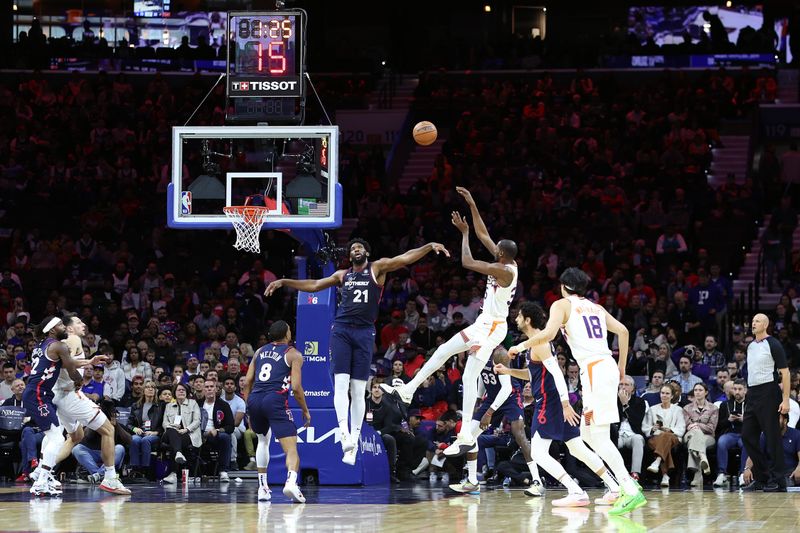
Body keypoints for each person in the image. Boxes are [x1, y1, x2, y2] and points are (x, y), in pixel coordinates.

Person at [266, 238, 448, 465]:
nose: (356, 249)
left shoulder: (377, 268)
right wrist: (284, 281)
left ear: (366, 252)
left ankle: (353, 440)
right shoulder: (343, 275)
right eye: (353, 248)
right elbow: (313, 285)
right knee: (341, 385)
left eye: (360, 247)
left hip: (364, 332)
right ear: (350, 255)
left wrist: (429, 247)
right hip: (341, 329)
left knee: (358, 388)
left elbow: (405, 258)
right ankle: (344, 435)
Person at [382, 187, 518, 459]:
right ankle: (408, 390)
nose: (493, 248)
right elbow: (484, 234)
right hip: (484, 323)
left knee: (469, 375)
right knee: (443, 351)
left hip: (493, 328)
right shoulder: (505, 260)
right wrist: (472, 203)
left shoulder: (502, 270)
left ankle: (466, 431)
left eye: (496, 249)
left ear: (501, 255)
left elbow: (467, 261)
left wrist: (464, 235)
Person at [509, 268, 646, 515]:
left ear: (564, 286)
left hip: (594, 370)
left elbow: (548, 334)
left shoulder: (561, 305)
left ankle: (630, 488)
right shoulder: (597, 307)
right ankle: (616, 488)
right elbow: (624, 331)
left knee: (599, 437)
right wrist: (621, 367)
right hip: (603, 368)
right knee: (586, 436)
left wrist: (520, 346)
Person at [497, 302, 622, 507]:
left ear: (528, 320)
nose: (516, 318)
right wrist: (509, 371)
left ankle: (575, 491)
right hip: (552, 400)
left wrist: (565, 404)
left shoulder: (539, 344)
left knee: (538, 453)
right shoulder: (536, 343)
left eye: (519, 316)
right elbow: (533, 374)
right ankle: (614, 487)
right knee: (578, 449)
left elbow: (556, 372)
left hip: (549, 402)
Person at [49, 314, 130, 495]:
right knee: (108, 430)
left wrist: (89, 362)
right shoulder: (73, 338)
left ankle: (43, 470)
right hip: (69, 394)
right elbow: (63, 362)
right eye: (79, 322)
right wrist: (77, 377)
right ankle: (110, 478)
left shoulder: (62, 342)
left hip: (59, 394)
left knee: (76, 437)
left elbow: (62, 362)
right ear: (69, 328)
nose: (83, 324)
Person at [448, 346, 531, 495]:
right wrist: (479, 399)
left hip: (511, 396)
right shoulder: (477, 353)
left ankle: (536, 480)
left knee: (519, 434)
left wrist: (489, 412)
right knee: (470, 436)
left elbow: (506, 388)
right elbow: (481, 375)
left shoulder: (500, 354)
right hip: (492, 397)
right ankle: (472, 481)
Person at [242, 321, 310, 503]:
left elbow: (247, 381)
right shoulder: (294, 354)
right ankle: (291, 482)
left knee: (263, 441)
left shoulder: (259, 352)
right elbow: (296, 387)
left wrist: (249, 406)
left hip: (255, 398)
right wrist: (305, 410)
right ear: (287, 335)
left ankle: (263, 488)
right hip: (275, 399)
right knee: (291, 449)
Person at [22, 316, 83, 496]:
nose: (65, 327)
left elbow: (65, 365)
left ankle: (42, 474)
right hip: (38, 394)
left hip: (40, 393)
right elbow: (72, 371)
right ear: (51, 329)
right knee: (56, 437)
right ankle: (41, 479)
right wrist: (79, 380)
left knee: (54, 435)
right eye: (61, 325)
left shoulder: (41, 346)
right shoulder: (59, 346)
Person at [742, 313, 791, 492]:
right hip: (752, 393)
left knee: (772, 438)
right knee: (747, 436)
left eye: (757, 321)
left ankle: (779, 481)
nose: (753, 323)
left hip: (769, 392)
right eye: (753, 321)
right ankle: (762, 477)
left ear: (766, 324)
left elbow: (785, 373)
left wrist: (785, 400)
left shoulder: (773, 344)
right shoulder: (750, 346)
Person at [643, 385, 686, 487]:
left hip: (673, 437)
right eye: (662, 393)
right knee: (664, 440)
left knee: (666, 435)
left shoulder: (678, 410)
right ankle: (665, 475)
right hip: (655, 438)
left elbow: (681, 427)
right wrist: (652, 428)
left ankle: (657, 461)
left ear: (672, 396)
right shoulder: (652, 409)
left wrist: (670, 430)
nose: (664, 395)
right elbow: (645, 427)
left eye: (667, 393)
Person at [742, 412, 800, 487]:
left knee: (786, 483)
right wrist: (747, 468)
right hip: (771, 472)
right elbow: (754, 454)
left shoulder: (796, 434)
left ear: (785, 421)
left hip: (790, 472)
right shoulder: (766, 435)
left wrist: (799, 468)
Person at [161, 382, 202, 484]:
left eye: (183, 390)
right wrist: (172, 426)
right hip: (171, 433)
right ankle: (178, 453)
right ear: (175, 392)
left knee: (174, 444)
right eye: (179, 390)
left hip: (188, 434)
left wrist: (186, 429)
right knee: (172, 432)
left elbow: (197, 421)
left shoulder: (193, 403)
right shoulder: (169, 406)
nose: (181, 391)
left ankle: (173, 474)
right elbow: (164, 423)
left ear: (187, 392)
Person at [682, 382, 719, 487]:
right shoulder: (686, 408)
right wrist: (698, 427)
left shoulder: (713, 408)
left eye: (700, 390)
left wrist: (696, 424)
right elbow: (687, 426)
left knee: (696, 439)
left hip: (708, 437)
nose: (697, 392)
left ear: (706, 392)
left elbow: (711, 428)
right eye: (695, 390)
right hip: (689, 435)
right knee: (695, 434)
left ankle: (697, 476)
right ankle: (703, 456)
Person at [713, 378, 747, 487]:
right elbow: (719, 426)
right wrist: (729, 420)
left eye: (739, 389)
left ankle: (743, 473)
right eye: (735, 389)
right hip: (730, 433)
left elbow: (758, 423)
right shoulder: (725, 405)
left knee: (746, 443)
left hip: (745, 434)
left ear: (745, 390)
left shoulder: (751, 404)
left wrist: (744, 420)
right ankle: (722, 473)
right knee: (721, 442)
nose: (737, 392)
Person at [129, 380, 163, 477]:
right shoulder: (136, 406)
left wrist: (156, 432)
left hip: (154, 434)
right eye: (148, 387)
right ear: (143, 391)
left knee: (145, 440)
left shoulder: (160, 406)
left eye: (153, 387)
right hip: (140, 432)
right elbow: (129, 423)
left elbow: (163, 424)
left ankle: (145, 469)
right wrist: (135, 429)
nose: (151, 389)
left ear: (156, 391)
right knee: (134, 439)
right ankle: (135, 469)